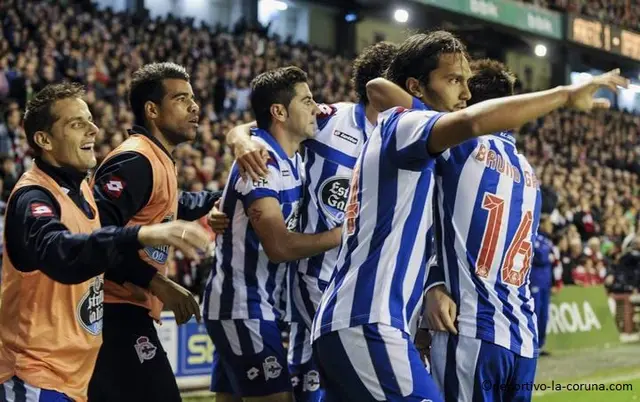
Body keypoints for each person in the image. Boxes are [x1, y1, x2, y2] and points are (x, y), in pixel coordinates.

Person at [312, 32, 627, 402]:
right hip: (377, 322)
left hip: (379, 320)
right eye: (454, 80)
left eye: (467, 84)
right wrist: (563, 95)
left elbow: (382, 89)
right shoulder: (512, 165)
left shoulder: (441, 147)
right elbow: (456, 118)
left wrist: (432, 283)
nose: (464, 94)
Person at [0, 82, 210, 402]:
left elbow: (168, 205)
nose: (93, 129)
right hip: (34, 375)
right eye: (76, 124)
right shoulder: (33, 198)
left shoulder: (81, 190)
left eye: (90, 120)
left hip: (71, 375)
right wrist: (142, 236)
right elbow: (61, 253)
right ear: (44, 140)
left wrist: (216, 201)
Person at [220, 41, 398, 402]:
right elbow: (264, 125)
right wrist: (239, 140)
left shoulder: (410, 135)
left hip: (368, 279)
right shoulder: (332, 118)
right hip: (316, 275)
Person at [202, 66, 342, 402]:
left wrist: (237, 135)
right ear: (279, 111)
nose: (315, 108)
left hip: (255, 304)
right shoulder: (262, 163)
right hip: (242, 305)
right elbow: (278, 246)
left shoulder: (290, 156)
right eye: (306, 101)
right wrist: (344, 233)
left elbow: (251, 125)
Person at [87, 62, 222, 402]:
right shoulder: (136, 160)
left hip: (124, 311)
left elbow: (177, 203)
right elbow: (97, 237)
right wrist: (159, 282)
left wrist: (225, 196)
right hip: (112, 312)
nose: (194, 107)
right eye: (181, 99)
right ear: (152, 110)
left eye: (193, 98)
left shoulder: (157, 159)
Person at [530, 213, 556, 356]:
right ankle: (532, 345)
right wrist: (548, 256)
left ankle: (540, 345)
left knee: (544, 315)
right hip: (536, 281)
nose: (551, 226)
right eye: (549, 224)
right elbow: (540, 257)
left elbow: (550, 256)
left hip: (545, 282)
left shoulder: (546, 240)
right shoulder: (534, 237)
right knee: (536, 313)